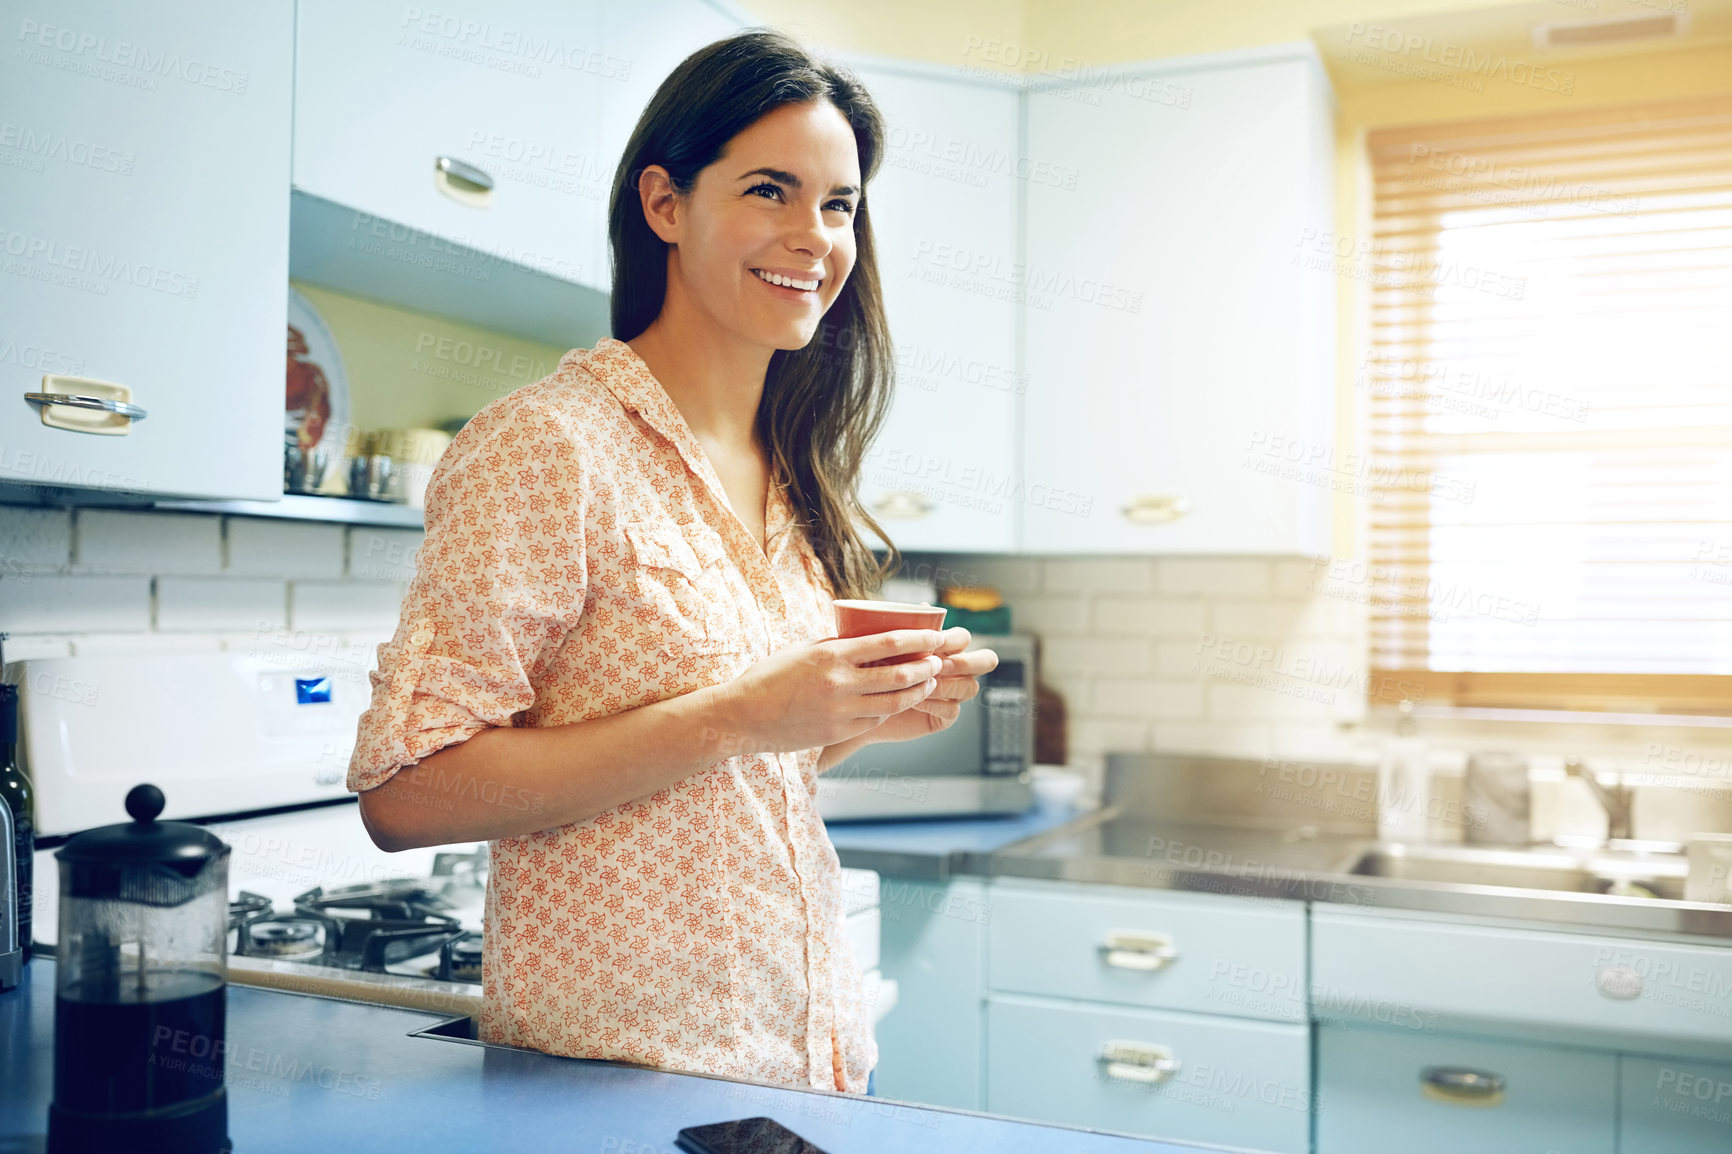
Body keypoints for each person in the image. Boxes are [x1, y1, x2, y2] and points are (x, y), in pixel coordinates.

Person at [346, 28, 997, 1098]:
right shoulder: (549, 445)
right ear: (665, 205)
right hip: (620, 1092)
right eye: (770, 191)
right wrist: (747, 712)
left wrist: (848, 715)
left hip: (802, 1070)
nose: (815, 236)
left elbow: (732, 769)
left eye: (838, 205)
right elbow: (405, 793)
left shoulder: (786, 471)